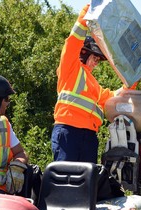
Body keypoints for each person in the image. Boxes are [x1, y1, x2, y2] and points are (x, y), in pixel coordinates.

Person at [51, 4, 120, 164]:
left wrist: (130, 85)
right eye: (94, 58)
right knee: (65, 180)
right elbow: (72, 42)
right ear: (84, 53)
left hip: (89, 136)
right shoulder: (70, 68)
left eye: (98, 60)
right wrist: (84, 17)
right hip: (68, 131)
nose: (96, 63)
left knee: (85, 184)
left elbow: (111, 98)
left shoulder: (93, 83)